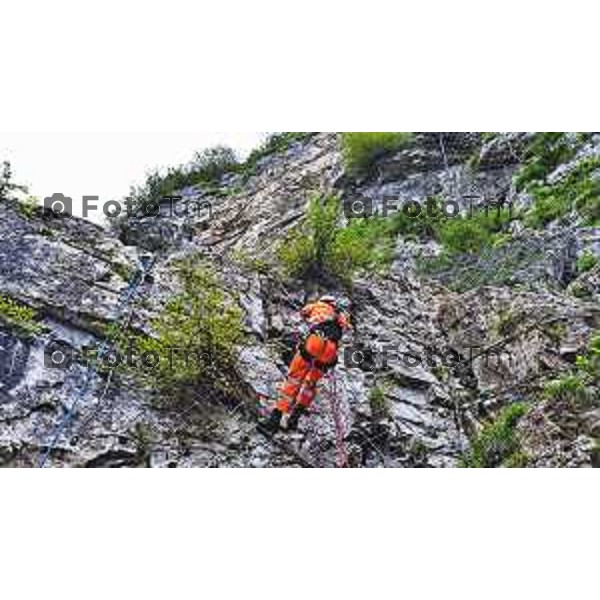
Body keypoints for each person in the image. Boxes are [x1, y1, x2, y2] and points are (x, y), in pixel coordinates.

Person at [259, 295, 351, 435]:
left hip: (316, 340)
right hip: (330, 350)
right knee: (310, 385)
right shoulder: (340, 314)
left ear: (323, 301)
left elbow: (303, 312)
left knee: (294, 380)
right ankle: (294, 419)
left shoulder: (317, 305)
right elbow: (346, 327)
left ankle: (274, 421)